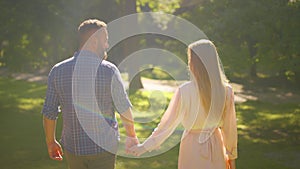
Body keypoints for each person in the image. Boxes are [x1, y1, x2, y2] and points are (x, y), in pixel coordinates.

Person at [42, 19, 139, 169]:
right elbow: (123, 107)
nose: (107, 45)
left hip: (73, 148)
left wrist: (51, 141)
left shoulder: (58, 71)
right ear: (94, 41)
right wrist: (131, 136)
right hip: (103, 148)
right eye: (105, 40)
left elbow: (49, 111)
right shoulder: (109, 70)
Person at [129, 39, 238, 169]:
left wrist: (144, 147)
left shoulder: (185, 90)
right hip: (216, 145)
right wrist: (231, 156)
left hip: (192, 147)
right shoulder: (226, 90)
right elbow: (230, 128)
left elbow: (167, 125)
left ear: (194, 64)